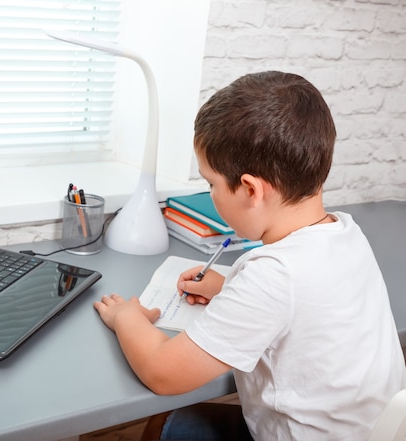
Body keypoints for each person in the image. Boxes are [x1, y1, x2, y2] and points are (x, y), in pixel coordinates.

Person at [93, 71, 406, 440]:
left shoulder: (273, 276)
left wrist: (127, 317)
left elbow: (164, 373)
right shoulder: (345, 232)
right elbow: (310, 300)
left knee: (164, 425)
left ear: (250, 190)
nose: (209, 191)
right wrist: (229, 286)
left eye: (210, 183)